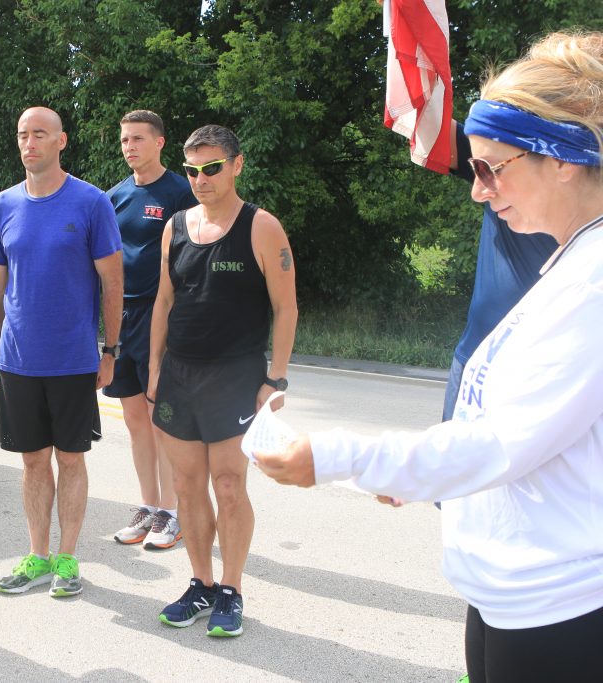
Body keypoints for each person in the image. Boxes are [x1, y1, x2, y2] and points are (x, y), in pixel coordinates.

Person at [257, 31, 603, 683]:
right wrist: (419, 472)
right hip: (511, 594)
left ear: (561, 158)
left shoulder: (592, 285)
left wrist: (340, 457)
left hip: (558, 610)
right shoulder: (571, 259)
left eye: (490, 168)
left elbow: (501, 444)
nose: (478, 190)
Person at [149, 124, 298, 637]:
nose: (201, 179)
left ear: (236, 165)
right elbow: (164, 300)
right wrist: (154, 369)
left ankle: (231, 589)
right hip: (179, 375)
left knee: (229, 484)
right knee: (187, 487)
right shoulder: (176, 226)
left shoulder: (261, 226)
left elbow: (286, 307)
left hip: (236, 376)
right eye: (192, 170)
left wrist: (276, 380)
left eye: (211, 168)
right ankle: (201, 584)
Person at [0, 106, 123, 598]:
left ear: (61, 141)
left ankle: (68, 558)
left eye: (40, 134)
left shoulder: (91, 202)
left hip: (73, 359)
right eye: (23, 134)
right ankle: (38, 556)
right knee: (32, 462)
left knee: (71, 459)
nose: (30, 143)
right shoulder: (1, 206)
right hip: (19, 359)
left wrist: (110, 349)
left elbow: (113, 282)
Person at [105, 110, 197, 550]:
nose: (130, 147)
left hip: (163, 316)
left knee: (162, 418)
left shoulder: (180, 192)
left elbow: (196, 253)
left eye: (138, 138)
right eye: (125, 139)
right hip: (120, 316)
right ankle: (148, 506)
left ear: (159, 142)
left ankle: (173, 512)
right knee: (134, 418)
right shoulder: (114, 196)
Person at [439, 120, 556, 421]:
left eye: (491, 169)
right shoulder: (500, 143)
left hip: (546, 373)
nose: (479, 190)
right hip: (476, 359)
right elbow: (427, 123)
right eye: (478, 169)